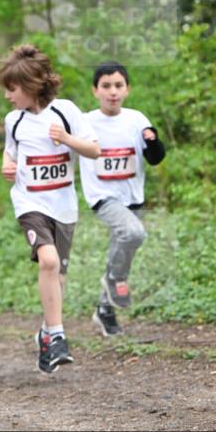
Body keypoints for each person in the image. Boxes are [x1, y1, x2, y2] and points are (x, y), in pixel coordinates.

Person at [0, 44, 100, 374]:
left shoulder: (66, 111)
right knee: (49, 260)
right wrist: (8, 166)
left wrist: (67, 139)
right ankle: (57, 336)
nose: (7, 96)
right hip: (30, 203)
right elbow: (10, 153)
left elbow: (95, 150)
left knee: (59, 277)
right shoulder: (14, 120)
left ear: (30, 85)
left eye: (11, 89)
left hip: (64, 206)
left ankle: (45, 333)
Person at [79, 62, 166, 336]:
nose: (112, 92)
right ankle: (115, 280)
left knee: (122, 245)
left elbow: (155, 158)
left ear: (127, 89)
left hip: (132, 196)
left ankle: (105, 312)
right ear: (95, 91)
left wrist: (152, 141)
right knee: (134, 234)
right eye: (106, 86)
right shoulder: (84, 122)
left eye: (118, 85)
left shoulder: (136, 119)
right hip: (102, 197)